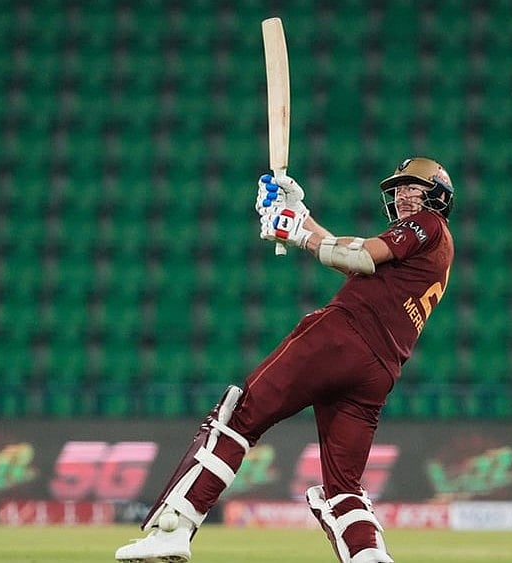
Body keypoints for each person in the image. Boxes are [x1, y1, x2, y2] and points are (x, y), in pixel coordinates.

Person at [114, 157, 456, 563]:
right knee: (343, 485)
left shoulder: (429, 226)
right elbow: (354, 262)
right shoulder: (432, 251)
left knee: (239, 417)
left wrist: (296, 231)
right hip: (377, 371)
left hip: (341, 338)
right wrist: (302, 217)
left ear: (437, 195)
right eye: (398, 187)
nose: (401, 193)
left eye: (412, 186)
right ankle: (369, 557)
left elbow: (359, 258)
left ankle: (174, 529)